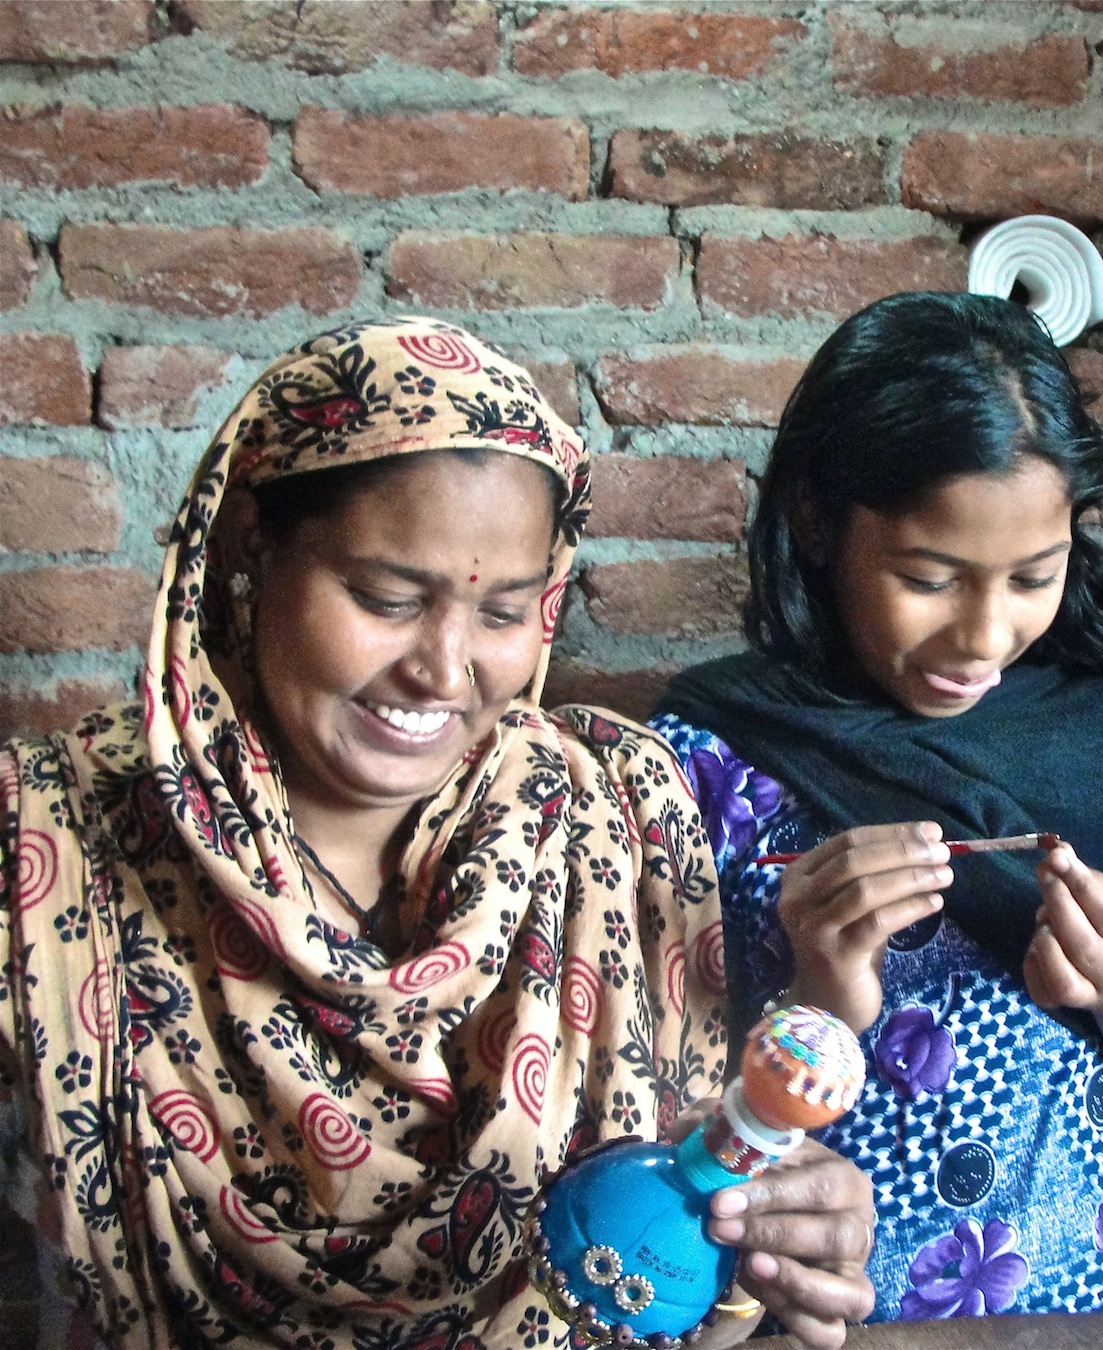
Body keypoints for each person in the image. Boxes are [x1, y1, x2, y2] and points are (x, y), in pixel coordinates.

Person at [0, 318, 874, 1350]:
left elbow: (676, 1271)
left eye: (505, 613)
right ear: (249, 546)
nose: (445, 669)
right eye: (384, 597)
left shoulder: (616, 818)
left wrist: (755, 1262)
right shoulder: (50, 847)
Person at [648, 292, 1103, 1324]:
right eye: (930, 579)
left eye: (1033, 577)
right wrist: (824, 988)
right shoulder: (709, 756)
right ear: (815, 518)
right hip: (849, 1320)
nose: (985, 636)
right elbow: (668, 1134)